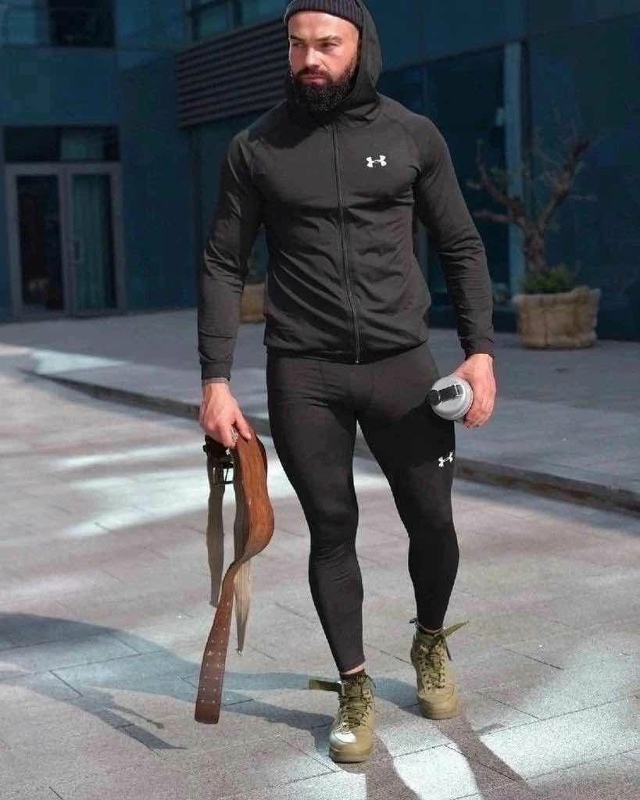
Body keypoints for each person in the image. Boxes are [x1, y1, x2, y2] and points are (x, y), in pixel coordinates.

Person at [198, 0, 496, 764]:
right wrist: (216, 380)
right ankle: (354, 685)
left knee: (433, 521)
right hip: (305, 371)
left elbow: (460, 244)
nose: (310, 59)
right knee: (331, 529)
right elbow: (225, 262)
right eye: (297, 45)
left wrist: (480, 352)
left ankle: (430, 641)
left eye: (327, 44)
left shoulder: (411, 135)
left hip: (403, 366)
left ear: (361, 48)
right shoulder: (255, 147)